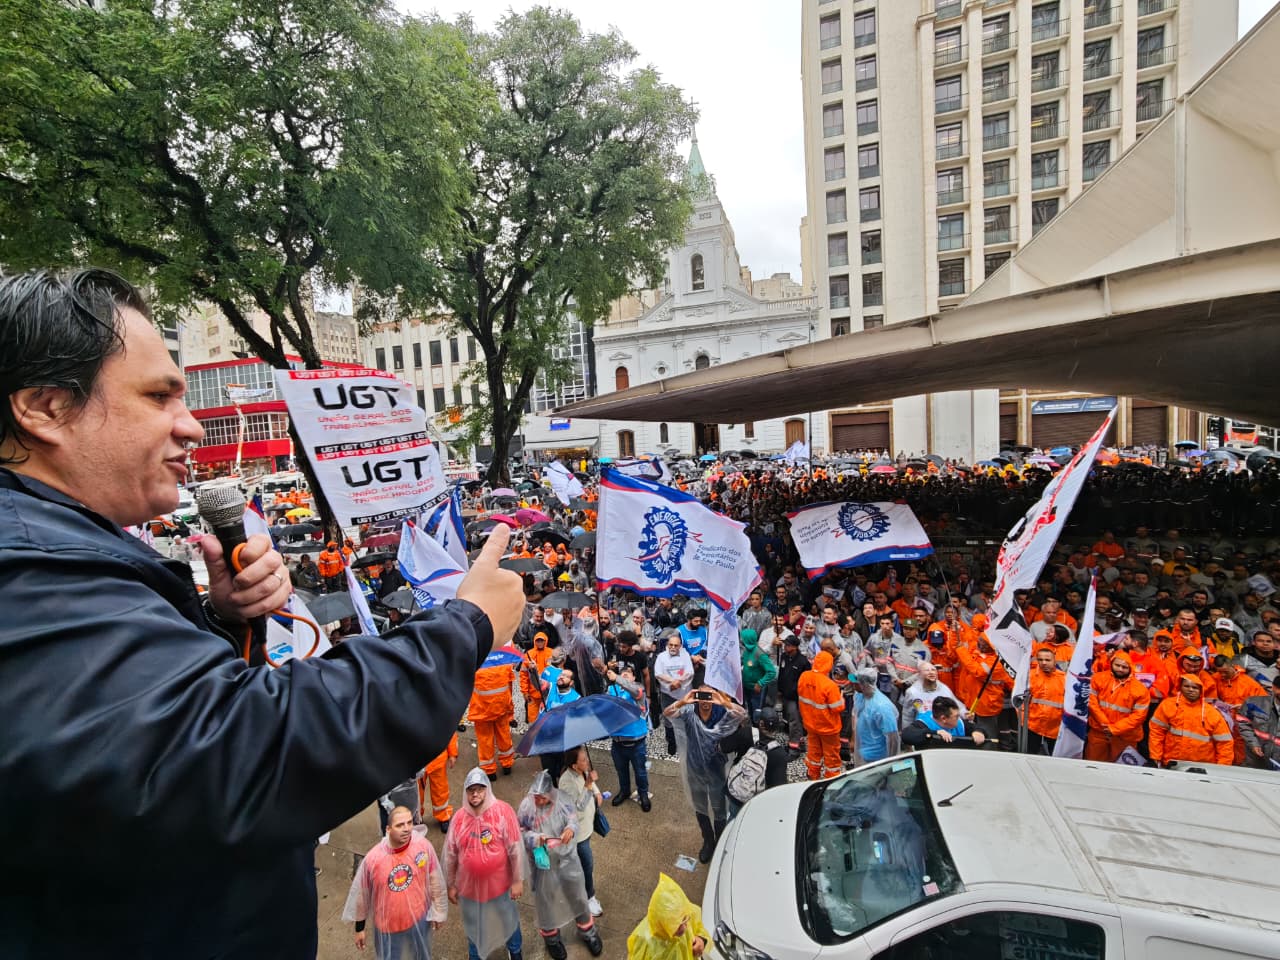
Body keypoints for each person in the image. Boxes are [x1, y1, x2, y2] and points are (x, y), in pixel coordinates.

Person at [0, 268, 525, 956]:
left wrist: (220, 622)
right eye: (159, 396)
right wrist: (465, 626)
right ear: (44, 408)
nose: (190, 427)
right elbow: (243, 751)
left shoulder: (56, 559)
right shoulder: (27, 577)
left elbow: (144, 746)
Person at [517, 771, 604, 958]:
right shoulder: (526, 807)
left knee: (578, 896)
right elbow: (521, 832)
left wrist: (569, 830)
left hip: (567, 860)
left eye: (543, 797)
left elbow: (573, 819)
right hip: (542, 864)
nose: (539, 800)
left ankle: (588, 932)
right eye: (536, 797)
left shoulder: (563, 800)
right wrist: (535, 838)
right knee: (545, 901)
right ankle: (552, 939)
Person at [344, 805, 446, 959]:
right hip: (388, 928)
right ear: (388, 829)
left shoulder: (422, 847)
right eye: (400, 825)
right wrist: (360, 928)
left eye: (409, 823)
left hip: (419, 920)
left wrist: (438, 911)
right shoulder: (373, 859)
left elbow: (434, 879)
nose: (406, 829)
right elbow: (362, 896)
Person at [444, 768, 525, 960]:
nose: (475, 794)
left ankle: (515, 950)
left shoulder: (503, 812)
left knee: (508, 919)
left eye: (480, 789)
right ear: (465, 792)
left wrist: (517, 880)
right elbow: (450, 855)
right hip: (470, 890)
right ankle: (476, 955)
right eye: (471, 789)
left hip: (501, 886)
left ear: (487, 789)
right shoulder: (459, 819)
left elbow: (515, 849)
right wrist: (451, 884)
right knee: (474, 925)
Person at [663, 686, 749, 862]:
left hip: (716, 770)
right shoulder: (689, 711)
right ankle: (708, 841)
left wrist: (723, 701)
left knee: (719, 808)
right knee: (700, 807)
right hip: (695, 769)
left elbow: (742, 715)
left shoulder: (721, 713)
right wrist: (683, 700)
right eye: (701, 696)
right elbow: (667, 713)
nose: (705, 701)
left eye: (708, 696)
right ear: (696, 697)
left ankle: (720, 840)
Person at [557, 745, 606, 918]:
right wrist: (589, 784)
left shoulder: (583, 771)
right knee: (586, 865)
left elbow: (593, 788)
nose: (587, 762)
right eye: (583, 760)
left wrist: (597, 791)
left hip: (588, 826)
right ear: (573, 765)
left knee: (584, 863)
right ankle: (589, 896)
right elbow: (577, 808)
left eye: (586, 758)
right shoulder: (565, 782)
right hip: (578, 834)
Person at [1149, 675, 1234, 767]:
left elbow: (1225, 743)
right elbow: (1156, 732)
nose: (1190, 690)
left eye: (1195, 687)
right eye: (1186, 686)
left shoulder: (1211, 713)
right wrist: (1156, 756)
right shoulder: (1168, 705)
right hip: (1171, 763)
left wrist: (1221, 768)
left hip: (1202, 767)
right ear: (1180, 687)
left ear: (1201, 690)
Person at [625, 873, 711, 960]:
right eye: (676, 926)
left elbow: (699, 929)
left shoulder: (685, 911)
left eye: (685, 920)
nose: (684, 928)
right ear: (662, 926)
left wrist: (701, 940)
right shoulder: (644, 941)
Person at [1084, 650, 1151, 762]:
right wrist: (1106, 725)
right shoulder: (1098, 679)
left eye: (1124, 667)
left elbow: (1138, 717)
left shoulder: (1140, 690)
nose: (1120, 669)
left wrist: (1114, 729)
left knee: (1121, 769)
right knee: (1093, 764)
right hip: (1099, 732)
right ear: (1111, 664)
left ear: (1130, 668)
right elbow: (1092, 703)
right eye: (1117, 665)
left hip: (1125, 736)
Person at [606, 662, 652, 812]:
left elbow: (635, 691)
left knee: (640, 772)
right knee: (621, 770)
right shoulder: (611, 690)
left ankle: (643, 794)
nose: (624, 674)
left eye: (628, 673)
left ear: (633, 677)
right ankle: (624, 791)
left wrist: (618, 678)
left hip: (636, 743)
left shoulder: (638, 690)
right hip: (617, 742)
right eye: (622, 673)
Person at [797, 650, 845, 780]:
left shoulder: (804, 677)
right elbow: (838, 708)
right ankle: (831, 778)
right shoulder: (829, 685)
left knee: (813, 752)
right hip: (828, 728)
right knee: (831, 756)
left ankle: (813, 774)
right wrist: (842, 698)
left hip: (810, 724)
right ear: (829, 665)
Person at [471, 661, 517, 780]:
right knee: (504, 736)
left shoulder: (474, 666)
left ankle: (489, 771)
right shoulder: (505, 665)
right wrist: (510, 712)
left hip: (481, 712)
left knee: (485, 740)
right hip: (501, 710)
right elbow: (509, 689)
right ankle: (507, 764)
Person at [654, 632, 695, 756]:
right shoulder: (661, 656)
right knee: (668, 719)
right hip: (668, 693)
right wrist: (672, 682)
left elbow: (690, 672)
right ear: (667, 645)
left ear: (680, 646)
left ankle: (686, 742)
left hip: (684, 693)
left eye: (675, 645)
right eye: (670, 645)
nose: (672, 647)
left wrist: (679, 682)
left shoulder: (685, 655)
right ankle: (671, 742)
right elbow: (658, 674)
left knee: (687, 718)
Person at [853, 667, 901, 764]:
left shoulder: (881, 707)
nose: (852, 684)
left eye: (855, 682)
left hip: (877, 758)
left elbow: (892, 738)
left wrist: (890, 763)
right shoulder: (861, 696)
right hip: (863, 750)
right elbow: (855, 716)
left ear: (864, 684)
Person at [901, 696, 988, 749]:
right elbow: (906, 735)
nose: (959, 719)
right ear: (943, 719)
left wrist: (978, 732)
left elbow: (977, 728)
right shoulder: (924, 723)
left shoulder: (959, 723)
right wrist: (934, 733)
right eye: (956, 717)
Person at [1025, 644, 1065, 756]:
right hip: (1033, 726)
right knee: (1030, 756)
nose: (1044, 662)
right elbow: (1021, 701)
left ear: (1054, 660)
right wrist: (1025, 720)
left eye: (1047, 660)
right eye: (1040, 659)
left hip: (1055, 728)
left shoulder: (1064, 679)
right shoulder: (1030, 676)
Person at [776, 634, 810, 754]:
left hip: (796, 697)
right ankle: (799, 742)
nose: (785, 646)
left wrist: (796, 691)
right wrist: (780, 689)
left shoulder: (803, 662)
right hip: (785, 694)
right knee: (790, 719)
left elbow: (806, 681)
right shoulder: (784, 656)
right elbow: (781, 672)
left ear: (795, 647)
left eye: (788, 645)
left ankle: (794, 747)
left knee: (794, 720)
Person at [419, 733, 459, 833]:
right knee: (416, 794)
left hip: (437, 757)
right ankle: (416, 818)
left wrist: (453, 753)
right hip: (416, 760)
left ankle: (443, 815)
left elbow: (449, 729)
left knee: (440, 790)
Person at [898, 661, 956, 729]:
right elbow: (907, 716)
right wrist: (907, 732)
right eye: (927, 670)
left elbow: (955, 709)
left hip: (943, 731)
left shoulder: (945, 690)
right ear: (920, 674)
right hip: (922, 731)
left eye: (933, 670)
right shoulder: (912, 692)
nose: (931, 672)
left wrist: (964, 714)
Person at [1236, 680, 1280, 769]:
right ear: (1274, 688)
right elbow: (1243, 723)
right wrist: (1253, 744)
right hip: (1255, 760)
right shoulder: (1253, 703)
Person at [739, 629, 778, 721]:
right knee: (749, 709)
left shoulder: (760, 654)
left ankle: (758, 730)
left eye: (743, 638)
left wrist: (760, 683)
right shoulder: (746, 651)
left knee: (757, 713)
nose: (741, 640)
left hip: (757, 690)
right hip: (747, 687)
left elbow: (771, 672)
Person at [521, 630, 555, 724]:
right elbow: (523, 675)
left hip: (548, 693)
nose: (540, 643)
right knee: (533, 720)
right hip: (533, 694)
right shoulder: (528, 655)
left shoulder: (551, 653)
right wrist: (525, 692)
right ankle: (534, 737)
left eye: (542, 640)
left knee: (548, 718)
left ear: (546, 641)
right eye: (538, 641)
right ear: (535, 641)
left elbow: (557, 671)